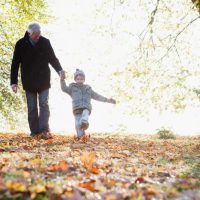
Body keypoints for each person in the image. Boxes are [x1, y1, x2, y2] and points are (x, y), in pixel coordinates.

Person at [10, 22, 65, 139]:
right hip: (29, 80)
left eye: (40, 33)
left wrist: (60, 70)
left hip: (43, 79)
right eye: (36, 34)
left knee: (44, 104)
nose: (38, 36)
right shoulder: (20, 44)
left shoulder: (45, 42)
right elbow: (15, 64)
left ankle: (44, 130)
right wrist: (13, 82)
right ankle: (34, 132)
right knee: (32, 107)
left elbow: (52, 58)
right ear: (29, 33)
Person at [60, 69, 116, 139]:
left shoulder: (88, 89)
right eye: (78, 79)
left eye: (81, 79)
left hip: (86, 108)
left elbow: (97, 96)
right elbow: (64, 88)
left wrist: (108, 100)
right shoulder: (72, 88)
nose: (79, 81)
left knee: (85, 113)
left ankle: (84, 121)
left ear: (84, 79)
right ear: (75, 79)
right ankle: (81, 137)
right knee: (77, 125)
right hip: (76, 109)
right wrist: (62, 79)